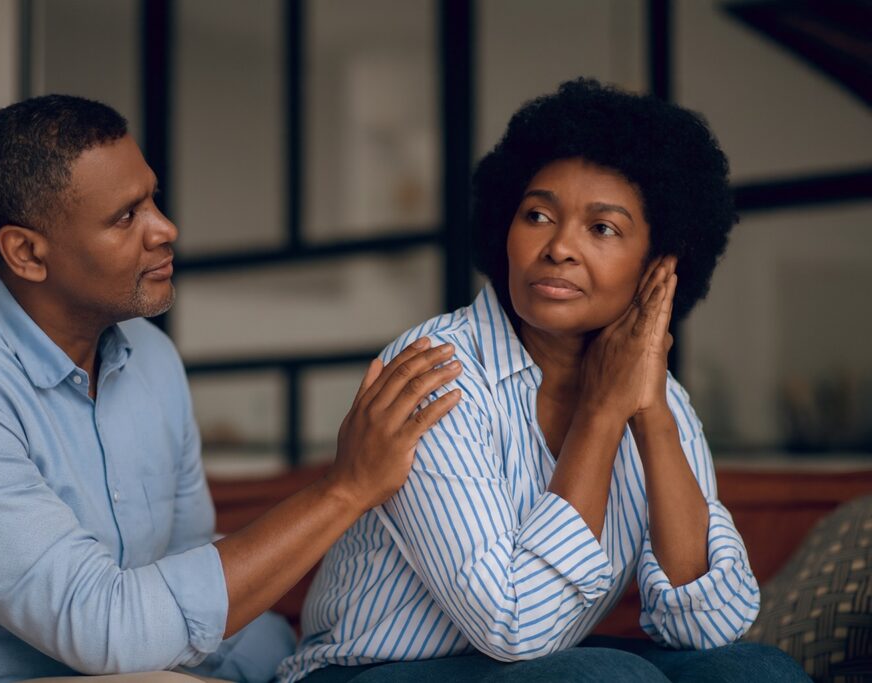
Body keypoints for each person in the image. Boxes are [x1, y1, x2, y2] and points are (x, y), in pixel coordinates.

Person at [0, 95, 463, 682]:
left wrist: (307, 661)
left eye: (154, 201)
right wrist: (346, 489)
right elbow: (104, 630)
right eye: (125, 217)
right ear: (27, 253)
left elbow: (190, 566)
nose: (165, 228)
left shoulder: (149, 356)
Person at [278, 79, 811, 682]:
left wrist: (651, 413)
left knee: (754, 671)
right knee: (604, 676)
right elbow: (514, 625)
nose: (558, 247)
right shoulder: (436, 369)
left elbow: (706, 627)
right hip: (367, 669)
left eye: (602, 229)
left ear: (658, 265)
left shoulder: (657, 395)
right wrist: (603, 414)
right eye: (538, 216)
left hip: (541, 662)